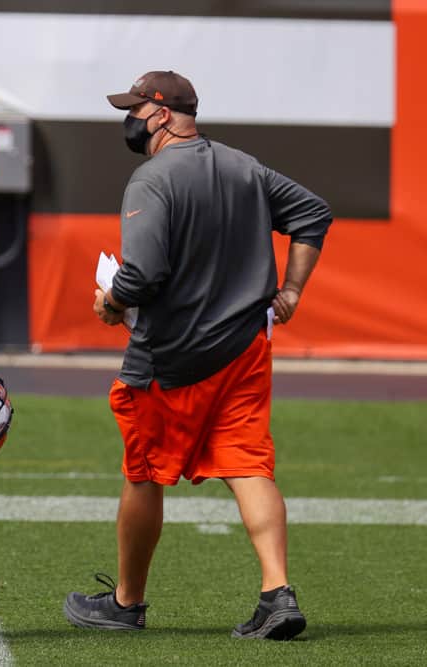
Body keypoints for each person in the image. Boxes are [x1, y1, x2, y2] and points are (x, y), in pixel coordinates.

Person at [62, 71, 332, 640]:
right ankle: (276, 592)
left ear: (161, 114)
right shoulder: (244, 167)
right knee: (248, 464)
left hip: (170, 358)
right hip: (243, 350)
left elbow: (143, 273)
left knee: (143, 473)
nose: (128, 120)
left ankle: (127, 602)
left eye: (134, 109)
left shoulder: (150, 179)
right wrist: (291, 292)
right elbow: (313, 214)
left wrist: (111, 302)